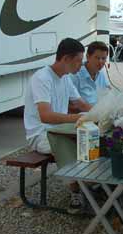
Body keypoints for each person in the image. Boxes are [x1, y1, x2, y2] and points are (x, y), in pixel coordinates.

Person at [23, 38, 92, 211]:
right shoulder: (42, 78)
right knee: (74, 142)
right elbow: (45, 116)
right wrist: (77, 118)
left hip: (58, 130)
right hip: (40, 135)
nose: (80, 65)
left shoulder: (65, 78)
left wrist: (103, 112)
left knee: (92, 135)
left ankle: (92, 182)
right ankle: (76, 190)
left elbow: (82, 105)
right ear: (66, 59)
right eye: (77, 61)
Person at [70, 41, 111, 106]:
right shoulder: (76, 75)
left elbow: (109, 91)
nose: (100, 62)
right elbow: (69, 106)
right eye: (97, 58)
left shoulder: (101, 74)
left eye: (103, 58)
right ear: (88, 57)